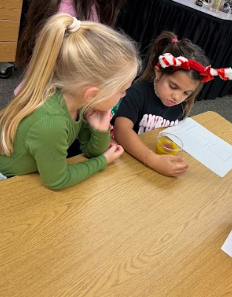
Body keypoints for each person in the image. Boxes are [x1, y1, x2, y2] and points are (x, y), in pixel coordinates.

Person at [0, 14, 140, 190]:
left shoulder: (77, 101)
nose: (124, 96)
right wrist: (102, 162)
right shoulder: (52, 123)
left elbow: (91, 151)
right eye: (122, 90)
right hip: (8, 183)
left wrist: (101, 128)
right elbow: (56, 181)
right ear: (92, 94)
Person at [113, 31, 232, 177]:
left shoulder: (181, 104)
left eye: (187, 93)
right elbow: (121, 131)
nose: (177, 97)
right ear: (158, 73)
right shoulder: (136, 94)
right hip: (126, 162)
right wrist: (153, 160)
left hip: (150, 164)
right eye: (173, 86)